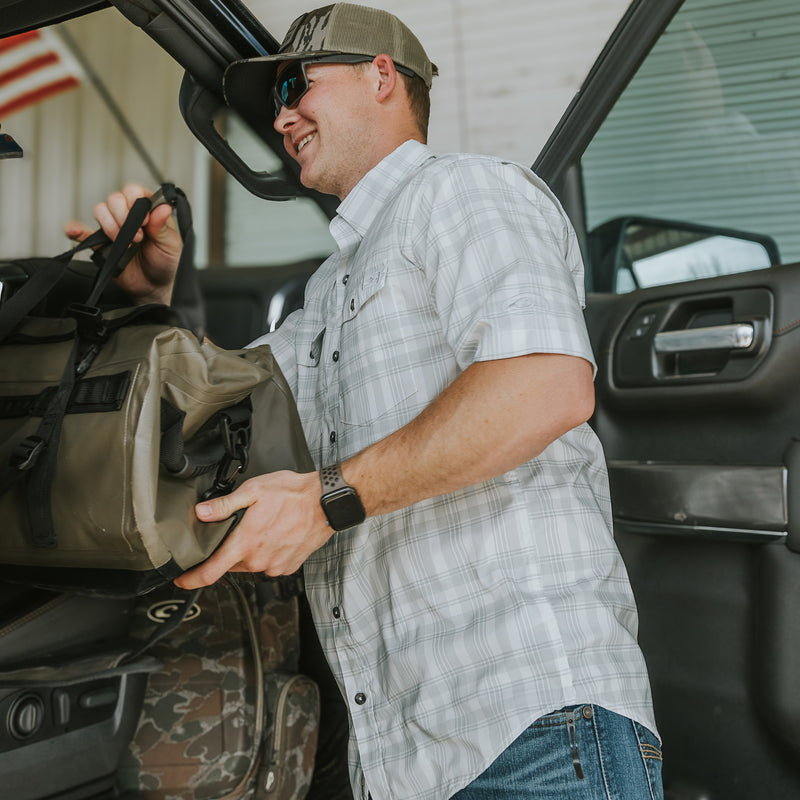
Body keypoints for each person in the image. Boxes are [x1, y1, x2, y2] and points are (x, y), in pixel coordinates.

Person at [66, 4, 663, 799]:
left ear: (382, 76)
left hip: (534, 728)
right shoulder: (323, 297)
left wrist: (328, 499)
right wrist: (155, 303)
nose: (280, 115)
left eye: (294, 84)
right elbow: (216, 419)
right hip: (401, 763)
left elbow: (542, 385)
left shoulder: (466, 192)